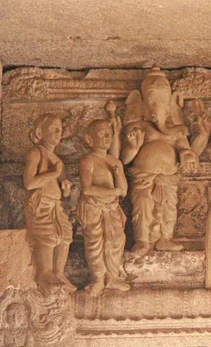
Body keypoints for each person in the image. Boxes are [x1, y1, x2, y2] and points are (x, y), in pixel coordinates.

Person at [122, 66, 211, 257]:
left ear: (169, 104)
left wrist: (190, 151)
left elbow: (186, 150)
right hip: (143, 176)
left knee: (169, 206)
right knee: (143, 205)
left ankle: (165, 238)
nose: (157, 106)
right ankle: (142, 239)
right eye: (152, 101)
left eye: (162, 102)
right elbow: (124, 159)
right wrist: (133, 147)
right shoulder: (140, 127)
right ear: (144, 104)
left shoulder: (176, 130)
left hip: (168, 176)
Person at [23, 114, 75, 294]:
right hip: (41, 203)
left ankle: (59, 273)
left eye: (59, 129)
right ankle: (44, 273)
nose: (57, 132)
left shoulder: (57, 160)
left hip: (55, 204)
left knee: (65, 234)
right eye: (52, 128)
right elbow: (29, 183)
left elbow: (62, 188)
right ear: (39, 132)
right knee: (47, 236)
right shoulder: (35, 152)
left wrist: (66, 188)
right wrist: (53, 174)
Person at [78, 119, 130, 296]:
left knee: (116, 240)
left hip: (111, 208)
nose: (107, 137)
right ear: (89, 139)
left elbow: (123, 191)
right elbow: (86, 188)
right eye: (102, 134)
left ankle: (113, 277)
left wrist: (118, 173)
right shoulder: (88, 160)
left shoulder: (114, 161)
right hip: (94, 207)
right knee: (95, 242)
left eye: (109, 133)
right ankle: (98, 278)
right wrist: (112, 191)